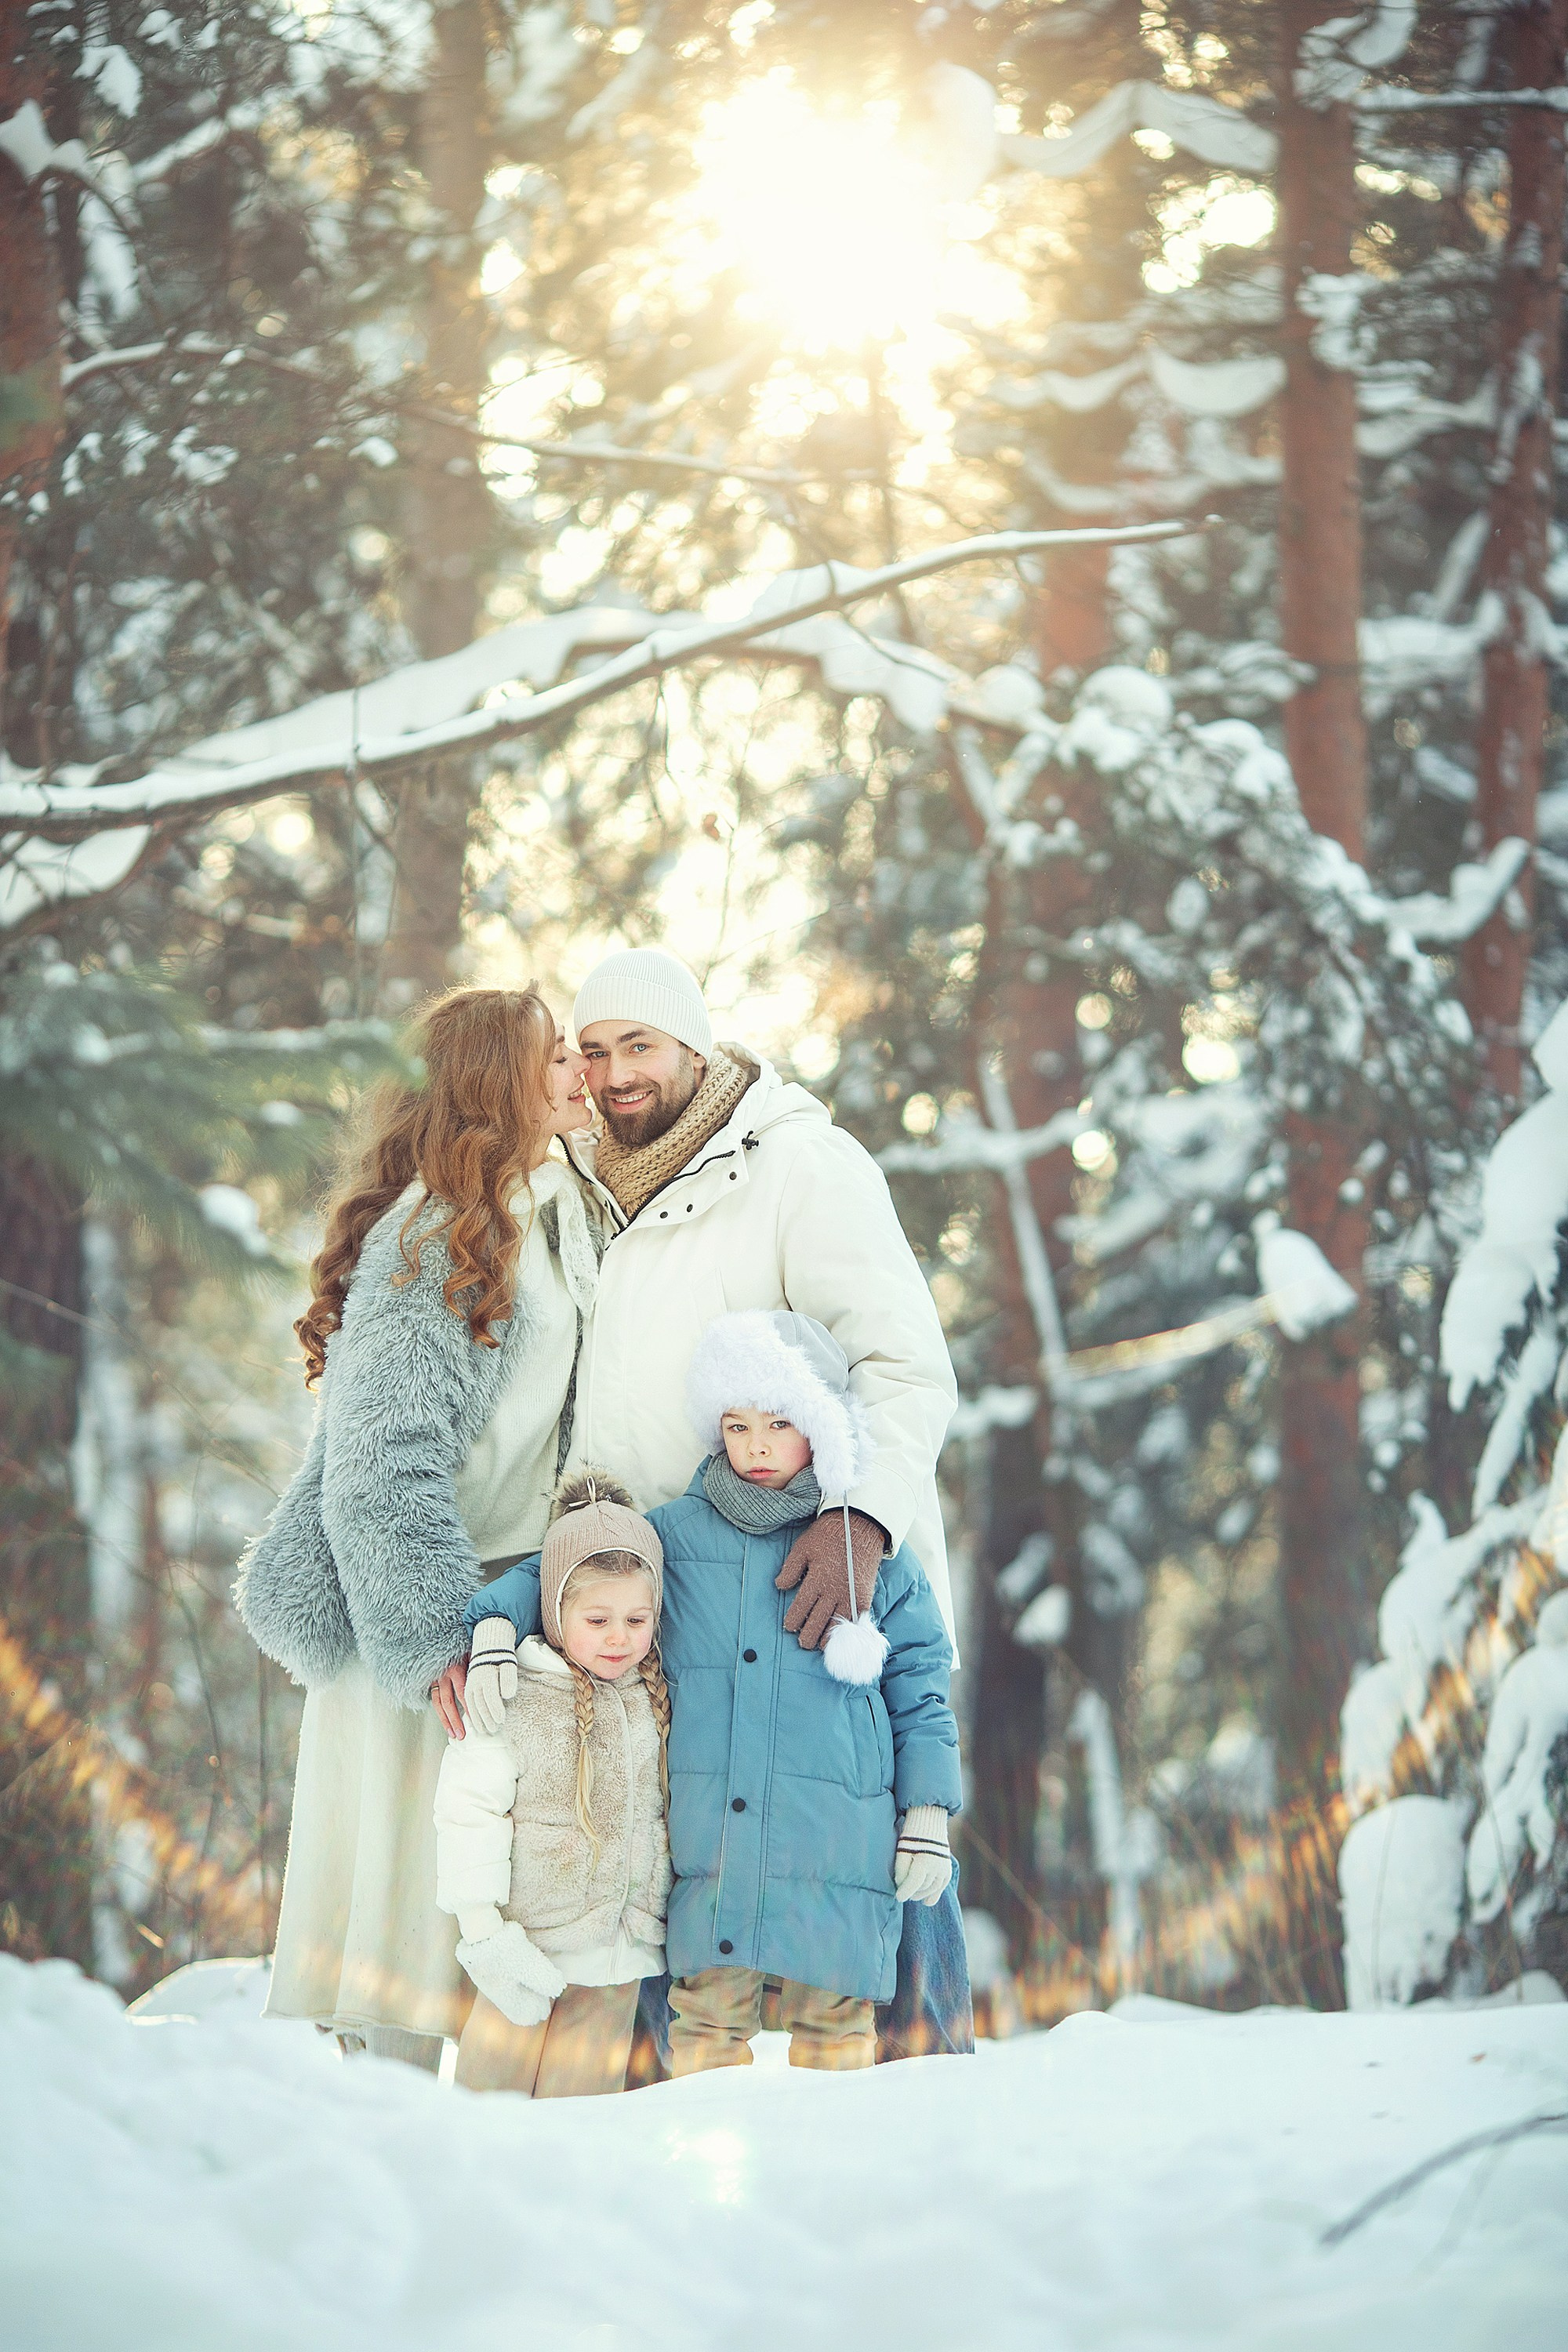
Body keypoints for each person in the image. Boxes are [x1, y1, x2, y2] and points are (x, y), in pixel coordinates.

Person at [561, 946, 973, 2060]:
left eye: (639, 1045)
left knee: (874, 1882)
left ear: (696, 1045)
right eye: (594, 1052)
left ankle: (934, 2141)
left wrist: (863, 1520)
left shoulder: (801, 1167)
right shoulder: (587, 1185)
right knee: (684, 1916)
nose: (615, 1073)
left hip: (813, 1598)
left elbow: (903, 1364)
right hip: (668, 1614)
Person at [233, 985, 604, 2075]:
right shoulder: (429, 1237)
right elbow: (380, 1465)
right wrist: (434, 1640)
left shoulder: (549, 1215)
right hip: (419, 1622)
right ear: (497, 1084)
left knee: (477, 1931)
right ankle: (363, 2192)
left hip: (502, 1610)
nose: (582, 1072)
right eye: (555, 1061)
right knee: (398, 1944)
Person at [464, 1312, 961, 2074]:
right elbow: (571, 1567)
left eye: (779, 1422)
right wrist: (496, 1622)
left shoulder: (871, 1557)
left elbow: (921, 1689)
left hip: (839, 1856)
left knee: (836, 2053)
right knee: (702, 2053)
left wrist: (926, 1810)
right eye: (736, 1425)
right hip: (712, 1863)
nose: (756, 1446)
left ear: (823, 1427)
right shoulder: (674, 1538)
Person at [432, 1473, 671, 2097]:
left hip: (618, 1961)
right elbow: (467, 1812)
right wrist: (483, 1933)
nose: (619, 1637)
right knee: (488, 2116)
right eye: (598, 1618)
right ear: (555, 1612)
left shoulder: (656, 1698)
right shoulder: (515, 1692)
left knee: (579, 2128)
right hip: (525, 1954)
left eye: (636, 1618)